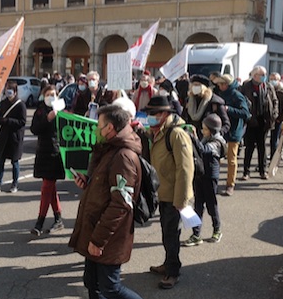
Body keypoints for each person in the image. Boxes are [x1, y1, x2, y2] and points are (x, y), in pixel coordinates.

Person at [69, 105, 143, 299]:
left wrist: (98, 240)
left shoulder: (123, 157)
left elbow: (120, 204)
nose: (95, 129)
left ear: (110, 128)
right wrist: (88, 182)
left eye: (99, 125)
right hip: (95, 229)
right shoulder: (109, 149)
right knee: (92, 283)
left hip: (107, 236)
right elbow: (105, 188)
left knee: (111, 288)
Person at [144, 95, 194, 289]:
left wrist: (181, 199)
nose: (149, 117)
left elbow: (185, 169)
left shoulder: (176, 134)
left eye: (153, 114)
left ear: (165, 114)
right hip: (163, 192)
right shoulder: (157, 131)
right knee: (166, 233)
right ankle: (167, 264)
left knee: (172, 234)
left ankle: (173, 272)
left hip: (175, 195)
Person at [183, 114, 226, 247]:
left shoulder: (217, 142)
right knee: (198, 206)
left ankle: (217, 229)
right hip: (200, 175)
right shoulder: (206, 138)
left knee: (211, 205)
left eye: (205, 129)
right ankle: (196, 234)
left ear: (212, 130)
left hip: (210, 177)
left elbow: (203, 150)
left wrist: (194, 137)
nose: (202, 131)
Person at [30, 85, 66, 236]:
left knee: (47, 187)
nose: (50, 96)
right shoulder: (40, 110)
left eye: (53, 94)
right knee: (50, 189)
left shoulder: (61, 111)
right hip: (43, 152)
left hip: (55, 153)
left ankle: (40, 222)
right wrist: (47, 119)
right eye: (48, 94)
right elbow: (34, 129)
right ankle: (58, 219)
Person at [213, 74, 251, 196]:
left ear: (227, 84)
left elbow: (245, 113)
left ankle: (230, 185)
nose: (220, 86)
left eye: (221, 84)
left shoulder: (236, 95)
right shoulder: (218, 93)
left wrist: (229, 109)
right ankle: (214, 184)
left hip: (234, 131)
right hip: (221, 130)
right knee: (216, 158)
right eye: (219, 84)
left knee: (231, 160)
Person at [240, 66, 278, 180]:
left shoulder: (268, 87)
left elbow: (275, 101)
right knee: (249, 147)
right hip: (251, 120)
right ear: (255, 75)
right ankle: (246, 172)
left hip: (264, 121)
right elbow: (242, 101)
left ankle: (262, 171)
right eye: (262, 74)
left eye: (264, 74)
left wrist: (274, 114)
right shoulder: (246, 86)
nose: (264, 77)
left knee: (262, 147)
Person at [0, 81, 27, 193]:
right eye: (6, 89)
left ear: (15, 91)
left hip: (15, 137)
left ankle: (15, 184)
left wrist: (8, 121)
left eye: (10, 89)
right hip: (3, 136)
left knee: (15, 162)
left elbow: (22, 122)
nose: (8, 91)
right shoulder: (3, 103)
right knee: (0, 161)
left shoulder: (20, 105)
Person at [181, 74, 230, 140]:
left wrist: (215, 135)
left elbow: (226, 124)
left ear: (204, 87)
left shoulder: (214, 102)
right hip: (191, 138)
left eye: (197, 85)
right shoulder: (188, 101)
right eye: (193, 85)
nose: (195, 87)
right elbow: (183, 118)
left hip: (208, 141)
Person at [269, 73, 283, 158]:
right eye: (271, 79)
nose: (272, 81)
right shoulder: (267, 89)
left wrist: (281, 118)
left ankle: (273, 158)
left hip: (278, 119)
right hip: (267, 119)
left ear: (279, 80)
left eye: (274, 79)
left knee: (274, 139)